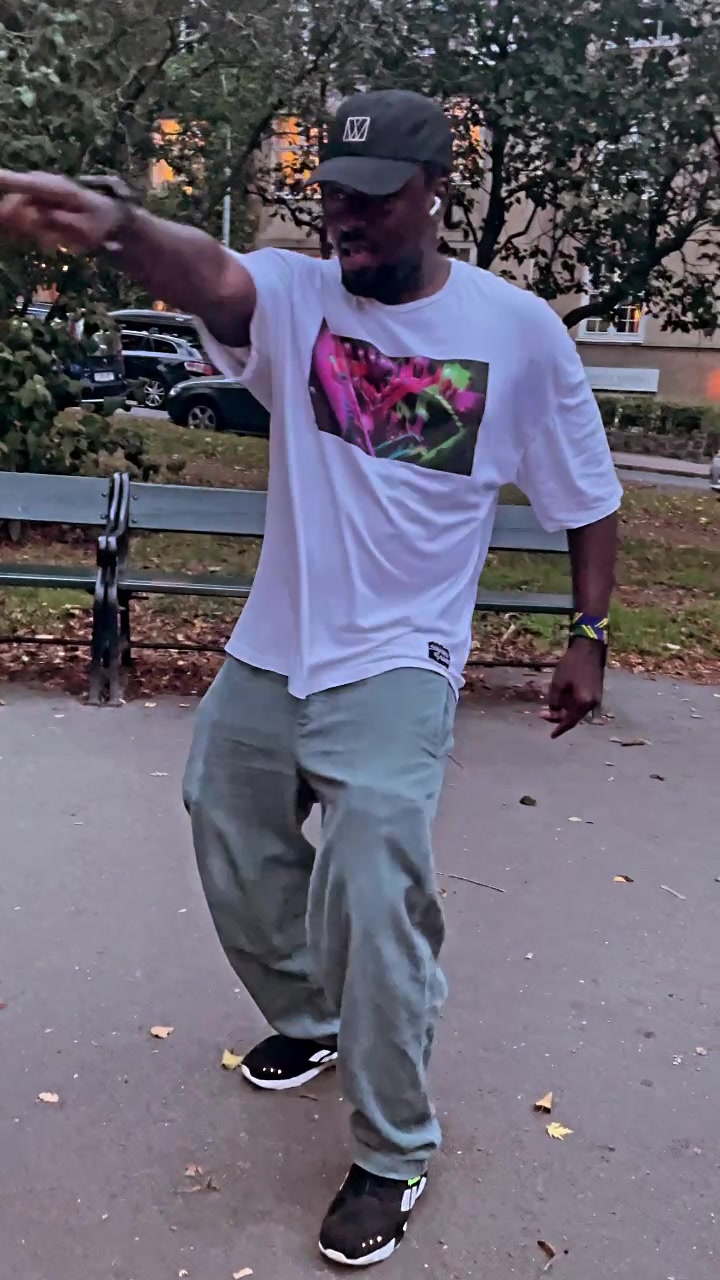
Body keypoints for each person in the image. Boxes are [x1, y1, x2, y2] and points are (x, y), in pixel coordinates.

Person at [0, 88, 621, 1268]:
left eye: (375, 201)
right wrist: (118, 223)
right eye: (334, 196)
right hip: (277, 640)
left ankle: (394, 1146)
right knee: (223, 815)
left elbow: (589, 499)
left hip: (403, 654)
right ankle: (312, 1011)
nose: (349, 220)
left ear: (434, 194)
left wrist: (587, 633)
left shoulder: (519, 332)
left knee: (373, 883)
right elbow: (211, 276)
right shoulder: (298, 295)